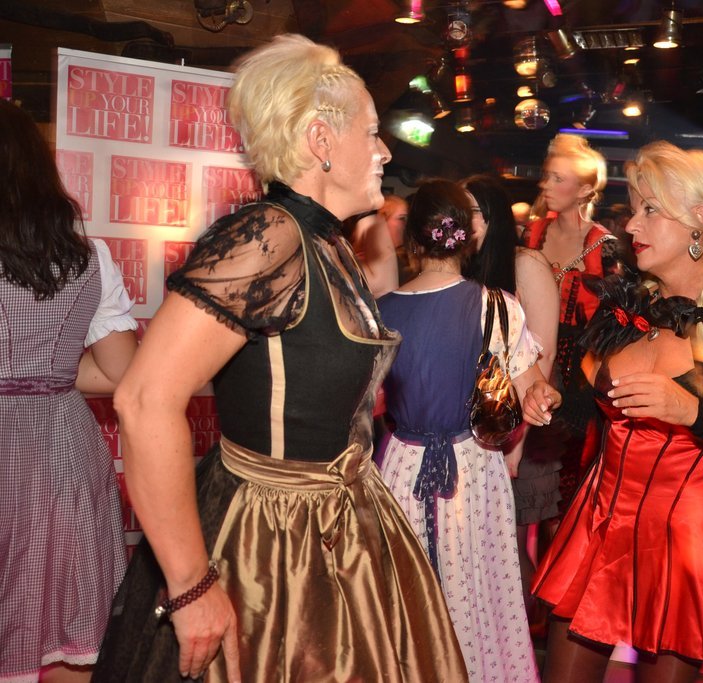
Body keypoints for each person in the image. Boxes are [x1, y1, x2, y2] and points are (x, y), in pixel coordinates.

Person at [94, 35, 466, 682]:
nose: (384, 151)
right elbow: (145, 399)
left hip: (338, 524)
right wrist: (190, 585)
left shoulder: (329, 244)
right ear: (321, 141)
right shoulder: (269, 237)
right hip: (271, 541)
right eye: (371, 133)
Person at [523, 141, 703, 682]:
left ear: (698, 220)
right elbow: (587, 412)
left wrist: (693, 412)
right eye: (634, 208)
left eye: (650, 210)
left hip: (691, 535)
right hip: (602, 521)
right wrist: (547, 398)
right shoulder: (627, 313)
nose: (632, 224)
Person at [377, 178, 545, 682]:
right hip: (472, 465)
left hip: (401, 465)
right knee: (478, 592)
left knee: (403, 593)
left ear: (412, 240)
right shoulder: (498, 305)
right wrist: (541, 399)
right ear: (468, 237)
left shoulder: (381, 310)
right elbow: (531, 386)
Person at [0, 98, 137, 683]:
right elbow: (118, 374)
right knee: (65, 634)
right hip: (62, 454)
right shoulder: (89, 257)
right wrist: (45, 371)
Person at [461, 173, 560, 613]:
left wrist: (516, 443)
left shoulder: (526, 264)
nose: (461, 222)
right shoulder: (461, 267)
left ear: (494, 218)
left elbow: (543, 357)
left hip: (520, 424)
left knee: (509, 548)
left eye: (471, 213)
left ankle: (522, 638)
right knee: (477, 551)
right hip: (476, 426)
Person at [520, 133, 627, 537]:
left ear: (584, 190)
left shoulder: (603, 246)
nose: (545, 185)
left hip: (578, 371)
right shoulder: (532, 234)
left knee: (566, 482)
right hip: (527, 358)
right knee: (526, 478)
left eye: (558, 179)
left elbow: (613, 324)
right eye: (546, 176)